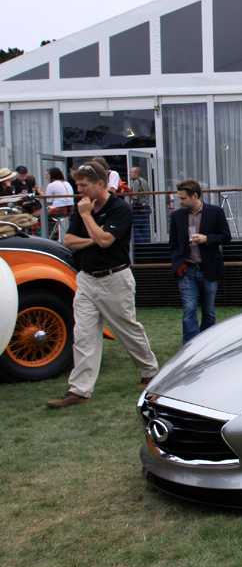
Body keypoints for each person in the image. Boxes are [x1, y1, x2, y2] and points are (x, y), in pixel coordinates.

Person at [46, 161, 159, 409]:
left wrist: (87, 218)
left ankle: (150, 372)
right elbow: (68, 240)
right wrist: (92, 235)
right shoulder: (82, 207)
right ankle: (80, 390)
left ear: (100, 184)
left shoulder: (119, 209)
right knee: (83, 335)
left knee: (126, 329)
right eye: (77, 184)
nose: (80, 189)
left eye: (84, 185)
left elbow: (106, 241)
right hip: (86, 278)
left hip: (114, 278)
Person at [169, 179, 232, 345]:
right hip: (187, 269)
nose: (180, 202)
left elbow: (226, 236)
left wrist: (207, 239)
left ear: (195, 195)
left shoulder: (215, 212)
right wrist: (177, 262)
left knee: (208, 311)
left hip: (208, 269)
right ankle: (190, 346)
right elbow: (173, 243)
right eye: (179, 198)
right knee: (189, 309)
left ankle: (206, 344)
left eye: (183, 198)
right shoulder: (177, 216)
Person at [36, 167, 75, 240]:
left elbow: (48, 202)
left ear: (52, 175)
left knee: (36, 215)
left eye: (47, 175)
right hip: (70, 209)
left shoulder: (51, 185)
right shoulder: (67, 183)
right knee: (47, 216)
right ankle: (52, 236)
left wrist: (40, 194)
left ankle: (38, 237)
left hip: (59, 209)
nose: (46, 177)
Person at [129, 167, 152, 244]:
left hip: (139, 209)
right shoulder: (144, 181)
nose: (129, 174)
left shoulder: (137, 182)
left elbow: (135, 197)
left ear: (136, 174)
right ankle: (147, 246)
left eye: (131, 172)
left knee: (133, 226)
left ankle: (141, 244)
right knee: (144, 227)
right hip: (146, 207)